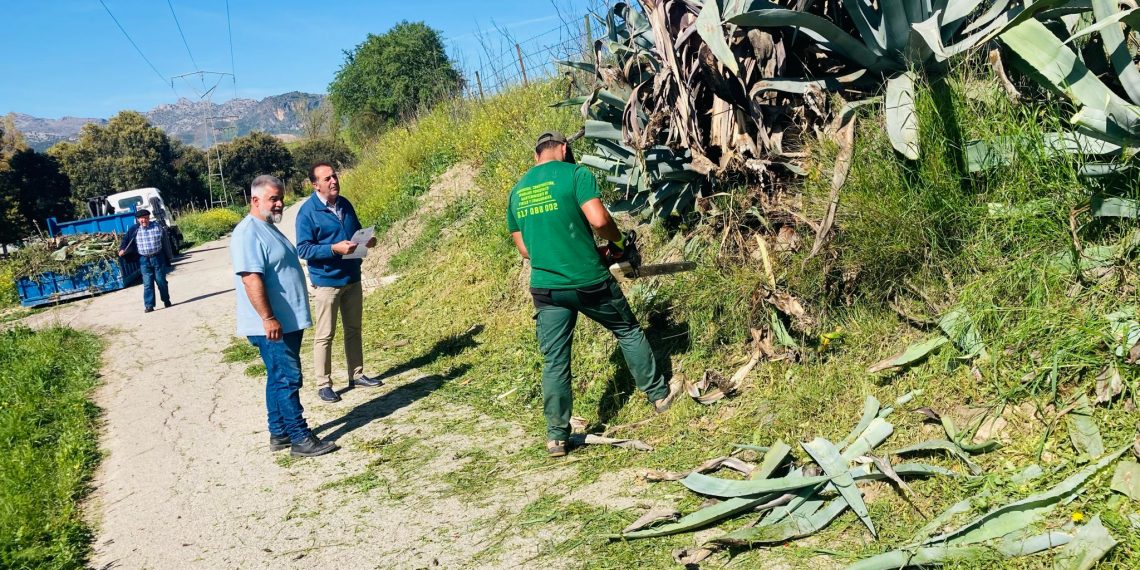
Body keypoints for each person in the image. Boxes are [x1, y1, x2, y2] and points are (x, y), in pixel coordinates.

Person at [507, 131, 679, 458]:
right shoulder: (576, 174)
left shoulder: (516, 192)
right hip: (588, 282)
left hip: (546, 289)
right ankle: (659, 396)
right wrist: (615, 246)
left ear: (536, 156)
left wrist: (573, 251)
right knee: (627, 330)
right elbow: (599, 220)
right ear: (564, 149)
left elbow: (525, 249)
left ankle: (556, 436)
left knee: (555, 359)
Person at [231, 174, 337, 457]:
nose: (279, 204)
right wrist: (268, 318)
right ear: (255, 200)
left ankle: (279, 433)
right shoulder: (247, 232)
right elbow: (251, 279)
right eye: (273, 199)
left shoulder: (266, 227)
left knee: (277, 377)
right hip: (271, 325)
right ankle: (300, 438)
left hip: (285, 322)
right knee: (288, 378)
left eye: (280, 198)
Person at [296, 162, 381, 403]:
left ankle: (357, 374)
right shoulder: (307, 212)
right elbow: (303, 248)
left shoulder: (345, 204)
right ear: (315, 185)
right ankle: (324, 383)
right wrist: (333, 248)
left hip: (352, 277)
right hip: (327, 282)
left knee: (354, 329)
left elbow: (355, 234)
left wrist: (367, 242)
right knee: (325, 334)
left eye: (335, 176)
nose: (334, 181)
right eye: (327, 179)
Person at [118, 208, 172, 313]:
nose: (144, 221)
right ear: (138, 219)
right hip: (143, 260)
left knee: (161, 281)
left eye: (146, 218)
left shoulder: (157, 227)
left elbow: (165, 242)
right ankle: (149, 305)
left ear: (149, 218)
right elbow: (125, 240)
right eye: (142, 219)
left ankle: (166, 300)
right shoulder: (134, 229)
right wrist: (122, 249)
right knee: (148, 283)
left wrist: (169, 256)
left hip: (158, 258)